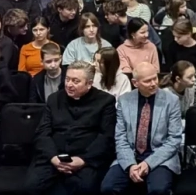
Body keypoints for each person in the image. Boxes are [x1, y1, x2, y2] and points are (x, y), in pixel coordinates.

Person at [26, 61, 117, 195]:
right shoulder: (54, 99)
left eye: (75, 81)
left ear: (89, 84)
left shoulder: (105, 101)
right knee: (32, 186)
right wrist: (53, 158)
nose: (69, 84)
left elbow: (106, 137)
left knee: (85, 187)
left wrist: (83, 160)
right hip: (53, 156)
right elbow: (42, 133)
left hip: (86, 159)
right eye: (67, 79)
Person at [100, 63, 183, 195]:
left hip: (160, 156)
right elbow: (120, 138)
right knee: (108, 187)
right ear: (135, 83)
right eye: (147, 81)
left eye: (155, 78)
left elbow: (174, 139)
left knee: (158, 189)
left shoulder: (171, 101)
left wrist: (148, 163)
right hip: (130, 154)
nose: (153, 83)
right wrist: (130, 165)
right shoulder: (124, 101)